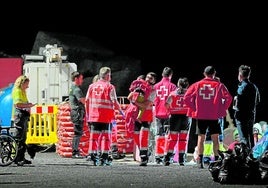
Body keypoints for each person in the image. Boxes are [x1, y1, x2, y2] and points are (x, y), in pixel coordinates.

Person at [184, 66, 232, 168]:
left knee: (201, 138)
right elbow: (229, 98)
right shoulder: (219, 85)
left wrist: (195, 108)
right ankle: (217, 161)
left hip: (201, 115)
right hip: (214, 116)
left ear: (204, 73)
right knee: (215, 139)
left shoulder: (197, 85)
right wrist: (221, 109)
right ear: (214, 73)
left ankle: (200, 162)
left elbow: (186, 98)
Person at [85, 67, 123, 166]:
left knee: (94, 138)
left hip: (94, 117)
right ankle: (104, 157)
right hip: (106, 117)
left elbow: (87, 101)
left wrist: (88, 114)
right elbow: (114, 102)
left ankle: (93, 156)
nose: (110, 77)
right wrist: (121, 112)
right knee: (106, 138)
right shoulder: (110, 87)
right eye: (110, 75)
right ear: (107, 75)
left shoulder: (91, 86)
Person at [125, 72, 157, 166]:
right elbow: (129, 97)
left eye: (150, 78)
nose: (148, 79)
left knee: (143, 136)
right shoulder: (139, 87)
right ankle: (144, 153)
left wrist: (135, 102)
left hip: (146, 117)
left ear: (154, 81)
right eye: (147, 77)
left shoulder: (153, 90)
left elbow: (145, 104)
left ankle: (144, 157)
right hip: (136, 115)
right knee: (136, 135)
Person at [163, 77, 190, 166]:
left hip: (174, 117)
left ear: (178, 84)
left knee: (173, 139)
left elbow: (166, 104)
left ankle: (167, 158)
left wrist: (171, 110)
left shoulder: (173, 94)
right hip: (185, 118)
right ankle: (181, 159)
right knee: (183, 139)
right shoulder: (189, 94)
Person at [233, 65, 260, 149]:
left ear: (240, 75)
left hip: (241, 116)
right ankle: (252, 156)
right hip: (251, 115)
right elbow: (258, 100)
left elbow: (238, 102)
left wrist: (236, 106)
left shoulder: (241, 87)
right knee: (250, 137)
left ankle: (245, 158)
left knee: (243, 138)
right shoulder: (254, 87)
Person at [153, 67, 177, 164]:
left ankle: (158, 156)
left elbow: (152, 100)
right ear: (170, 75)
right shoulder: (173, 87)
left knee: (159, 135)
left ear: (162, 74)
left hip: (158, 114)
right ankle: (167, 156)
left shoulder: (155, 86)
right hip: (168, 114)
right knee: (168, 136)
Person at [12, 75, 36, 166]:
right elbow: (18, 104)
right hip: (20, 115)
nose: (28, 86)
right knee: (19, 137)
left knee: (23, 137)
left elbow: (23, 103)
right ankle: (17, 158)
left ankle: (21, 157)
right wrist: (28, 105)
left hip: (24, 115)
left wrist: (28, 104)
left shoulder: (23, 91)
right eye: (27, 84)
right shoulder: (17, 91)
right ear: (22, 83)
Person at [69, 71, 86, 158]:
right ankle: (75, 151)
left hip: (75, 112)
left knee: (77, 132)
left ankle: (75, 151)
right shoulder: (77, 89)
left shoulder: (72, 88)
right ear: (76, 79)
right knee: (78, 132)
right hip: (77, 113)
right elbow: (83, 101)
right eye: (81, 79)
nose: (82, 81)